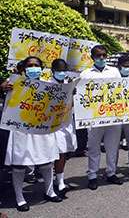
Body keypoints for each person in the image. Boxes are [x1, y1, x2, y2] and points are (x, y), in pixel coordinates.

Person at [2, 56, 62, 211]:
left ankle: (49, 191)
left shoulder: (49, 84)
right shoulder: (14, 82)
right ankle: (20, 197)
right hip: (21, 129)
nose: (33, 68)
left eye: (36, 65)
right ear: (24, 67)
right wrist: (1, 88)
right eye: (30, 65)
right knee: (20, 164)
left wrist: (68, 95)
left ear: (41, 68)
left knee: (47, 160)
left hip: (42, 128)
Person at [80, 45, 124, 190]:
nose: (101, 58)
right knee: (93, 148)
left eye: (104, 55)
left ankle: (111, 173)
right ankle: (92, 175)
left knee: (112, 147)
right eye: (98, 55)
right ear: (92, 57)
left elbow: (121, 90)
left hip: (113, 115)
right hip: (94, 118)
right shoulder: (85, 74)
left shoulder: (114, 71)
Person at [50, 59, 77, 198]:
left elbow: (72, 105)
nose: (62, 73)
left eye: (64, 70)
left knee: (66, 151)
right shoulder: (47, 84)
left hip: (67, 122)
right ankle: (58, 182)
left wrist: (73, 94)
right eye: (59, 70)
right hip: (52, 124)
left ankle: (58, 177)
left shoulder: (68, 84)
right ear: (52, 71)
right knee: (57, 153)